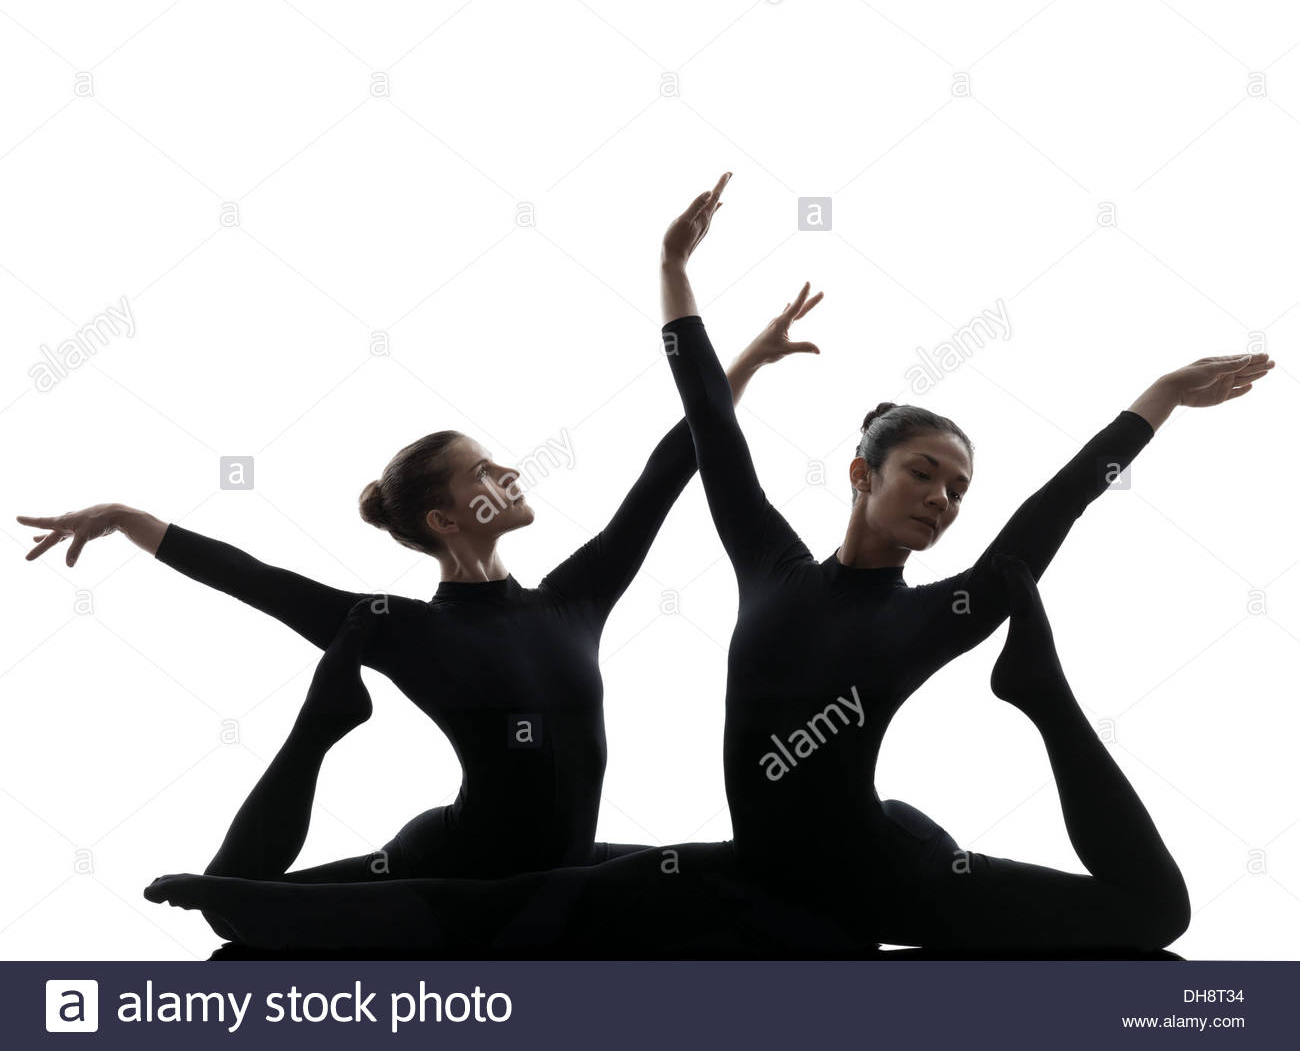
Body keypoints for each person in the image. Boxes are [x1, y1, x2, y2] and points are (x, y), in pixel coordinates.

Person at [141, 173, 1274, 954]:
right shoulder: (770, 564)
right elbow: (703, 433)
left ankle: (1044, 697)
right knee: (537, 902)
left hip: (889, 876)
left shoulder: (947, 611)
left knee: (1153, 912)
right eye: (925, 472)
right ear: (860, 475)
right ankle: (246, 906)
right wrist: (674, 272)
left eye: (958, 489)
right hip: (754, 870)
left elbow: (1049, 509)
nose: (944, 499)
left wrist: (1156, 402)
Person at [16, 271, 815, 896]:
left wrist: (747, 358)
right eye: (483, 469)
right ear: (443, 518)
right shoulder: (401, 628)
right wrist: (124, 516)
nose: (508, 470)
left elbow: (671, 464)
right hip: (446, 869)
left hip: (564, 875)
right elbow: (254, 579)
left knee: (752, 875)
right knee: (234, 903)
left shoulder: (574, 596)